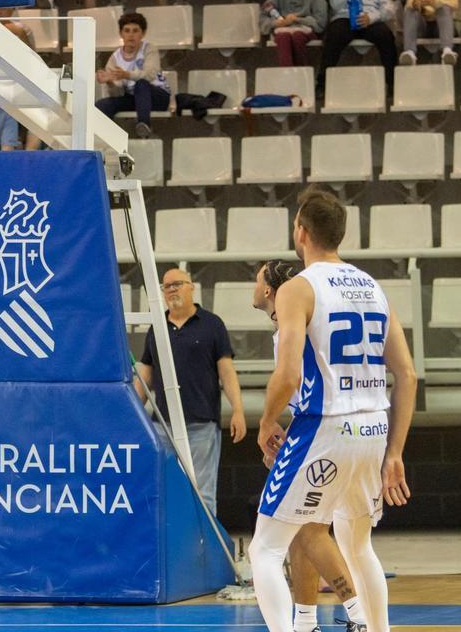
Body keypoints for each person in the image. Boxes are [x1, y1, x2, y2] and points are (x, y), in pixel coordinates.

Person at [250, 186, 416, 632]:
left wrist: (267, 420)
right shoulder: (374, 287)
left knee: (264, 549)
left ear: (299, 231)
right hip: (374, 428)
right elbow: (408, 375)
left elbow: (286, 377)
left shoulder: (298, 289)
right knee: (358, 547)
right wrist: (395, 451)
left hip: (326, 425)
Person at [251, 259, 376, 632]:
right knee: (301, 530)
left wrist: (270, 425)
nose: (252, 286)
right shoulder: (295, 321)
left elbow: (295, 381)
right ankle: (307, 622)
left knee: (299, 535)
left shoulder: (296, 321)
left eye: (256, 279)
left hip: (324, 434)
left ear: (270, 290)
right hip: (349, 431)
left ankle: (357, 617)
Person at [132, 269, 244, 515]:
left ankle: (204, 550)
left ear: (191, 287)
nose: (171, 289)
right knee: (163, 491)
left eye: (177, 284)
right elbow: (146, 376)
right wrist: (131, 416)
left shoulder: (212, 325)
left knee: (202, 493)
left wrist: (238, 410)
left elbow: (226, 371)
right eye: (166, 286)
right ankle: (171, 549)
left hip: (201, 424)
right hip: (163, 427)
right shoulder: (157, 328)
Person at [319, 0, 397, 96]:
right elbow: (336, 4)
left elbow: (388, 8)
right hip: (345, 18)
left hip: (370, 19)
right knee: (334, 34)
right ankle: (322, 83)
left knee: (386, 35)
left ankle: (393, 83)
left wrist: (372, 17)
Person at [94, 12, 171, 140]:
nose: (131, 35)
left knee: (141, 84)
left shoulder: (149, 49)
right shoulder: (115, 57)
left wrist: (127, 75)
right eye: (127, 31)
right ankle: (106, 139)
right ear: (121, 34)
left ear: (143, 33)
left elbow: (149, 75)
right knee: (102, 104)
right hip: (134, 98)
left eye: (135, 31)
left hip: (157, 97)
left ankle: (144, 125)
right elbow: (117, 93)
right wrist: (110, 82)